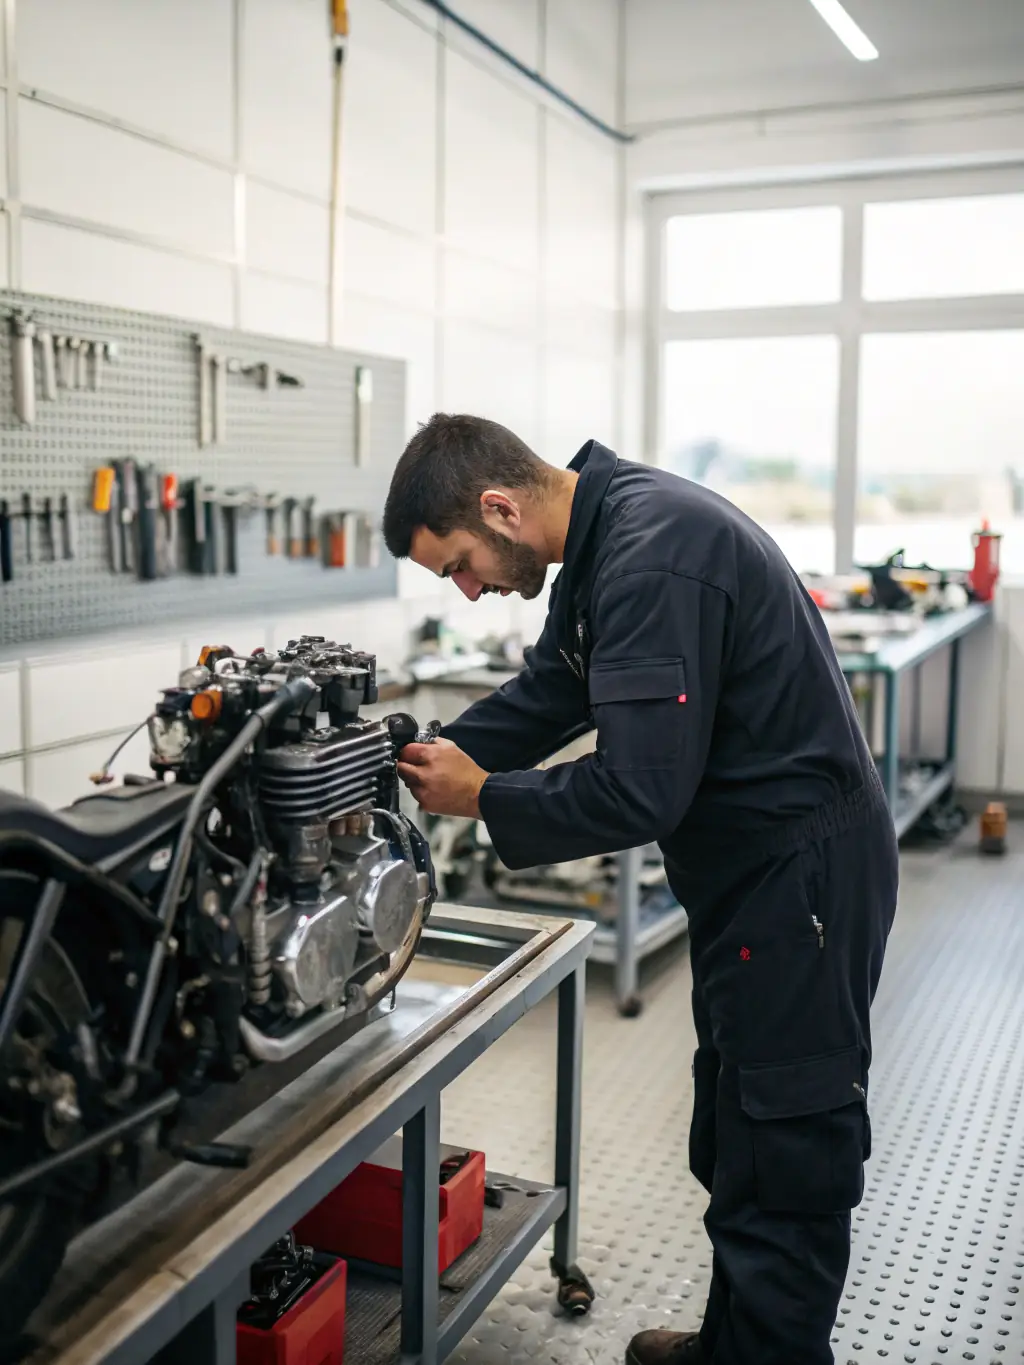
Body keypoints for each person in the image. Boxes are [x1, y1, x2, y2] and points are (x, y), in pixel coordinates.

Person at [383, 413, 899, 1365]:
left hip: (800, 883)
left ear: (498, 509)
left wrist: (485, 795)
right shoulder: (604, 536)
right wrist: (423, 758)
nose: (468, 590)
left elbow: (639, 789)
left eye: (459, 564)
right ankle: (733, 1345)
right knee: (736, 1126)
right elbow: (552, 689)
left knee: (787, 1145)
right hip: (750, 872)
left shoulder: (651, 556)